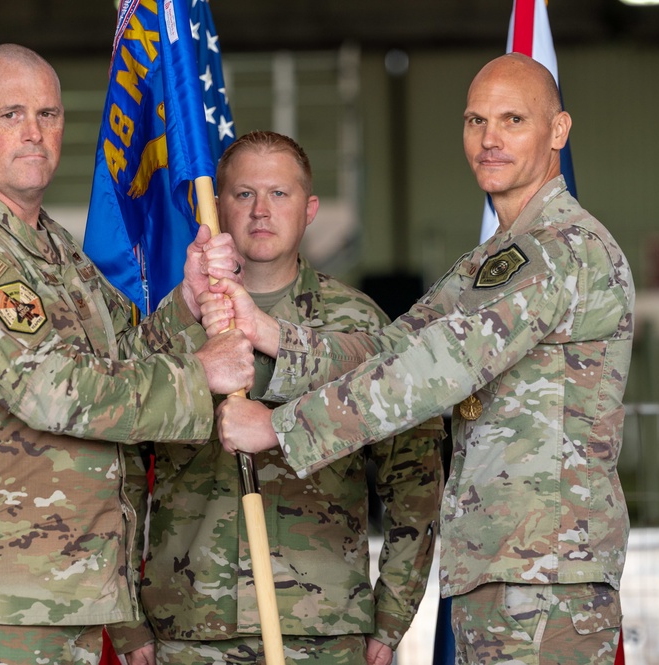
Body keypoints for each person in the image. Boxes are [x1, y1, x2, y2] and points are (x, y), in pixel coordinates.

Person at [208, 54, 635, 665]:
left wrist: (280, 428)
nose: (490, 139)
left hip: (546, 575)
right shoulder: (490, 262)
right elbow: (390, 349)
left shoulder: (561, 249)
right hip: (502, 569)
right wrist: (272, 334)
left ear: (558, 133)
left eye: (513, 119)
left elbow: (435, 369)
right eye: (475, 120)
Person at [0, 43, 253, 665]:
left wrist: (187, 303)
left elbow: (124, 352)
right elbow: (51, 390)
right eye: (11, 114)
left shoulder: (50, 247)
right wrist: (200, 375)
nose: (34, 132)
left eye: (49, 115)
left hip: (63, 595)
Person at [107, 131, 445, 665]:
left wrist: (392, 615)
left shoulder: (358, 324)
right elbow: (118, 472)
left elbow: (414, 478)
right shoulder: (173, 326)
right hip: (190, 627)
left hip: (323, 628)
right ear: (215, 206)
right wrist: (127, 623)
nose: (261, 211)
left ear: (310, 208)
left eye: (279, 195)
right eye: (243, 195)